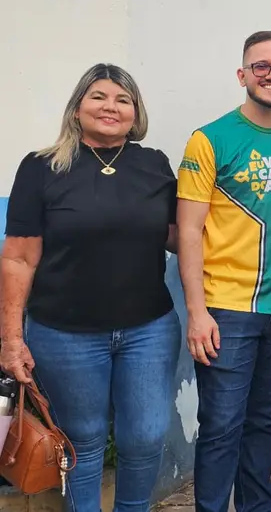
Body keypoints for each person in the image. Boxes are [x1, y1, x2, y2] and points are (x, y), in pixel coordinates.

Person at [0, 63, 181, 512]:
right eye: (99, 96)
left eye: (123, 99)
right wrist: (11, 339)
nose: (111, 107)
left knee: (146, 436)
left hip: (148, 330)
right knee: (81, 440)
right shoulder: (42, 167)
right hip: (65, 335)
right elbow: (18, 257)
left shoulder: (153, 163)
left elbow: (180, 237)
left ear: (135, 112)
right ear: (77, 107)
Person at [176, 31, 271, 512]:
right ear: (242, 75)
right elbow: (188, 231)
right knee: (221, 427)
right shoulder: (210, 139)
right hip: (225, 309)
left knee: (265, 423)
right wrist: (196, 311)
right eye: (261, 66)